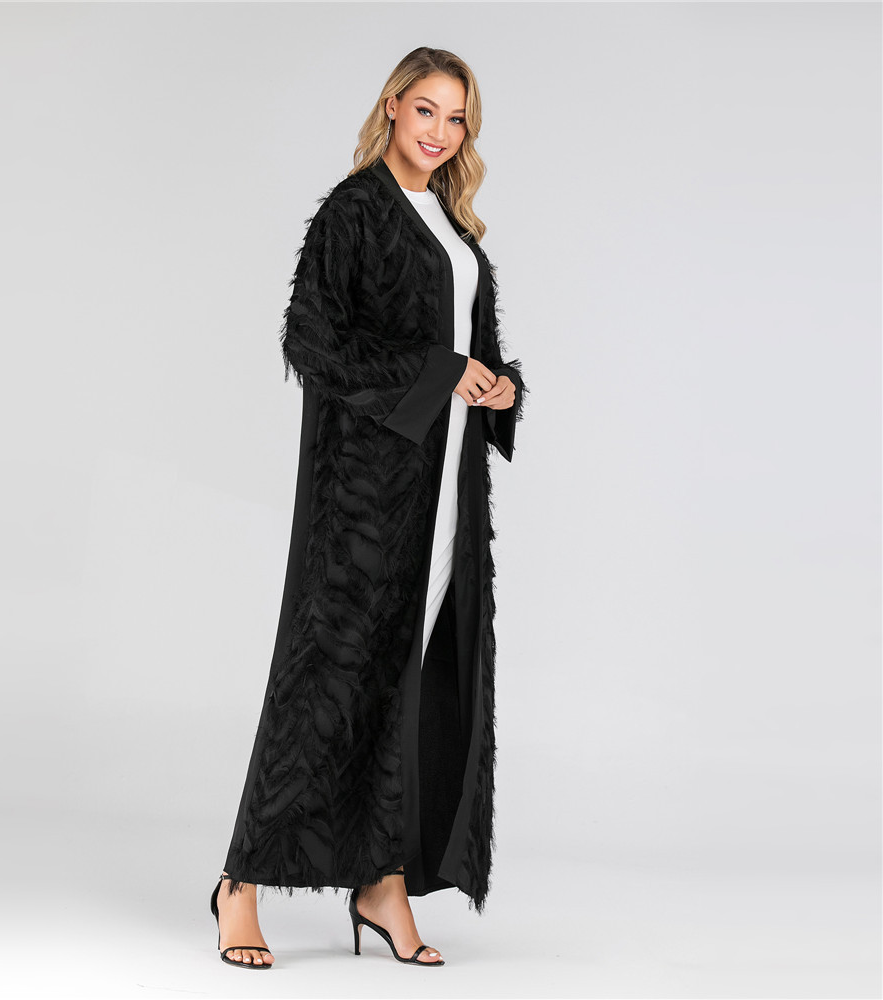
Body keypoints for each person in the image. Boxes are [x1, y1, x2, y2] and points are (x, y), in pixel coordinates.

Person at [209, 46, 528, 970]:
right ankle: (240, 883)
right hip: (362, 498)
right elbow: (312, 340)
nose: (440, 132)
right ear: (392, 106)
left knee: (406, 681)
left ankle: (382, 881)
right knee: (322, 683)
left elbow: (473, 349)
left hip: (443, 495)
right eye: (425, 110)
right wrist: (440, 372)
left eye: (456, 119)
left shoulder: (456, 229)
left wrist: (500, 385)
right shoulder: (354, 211)